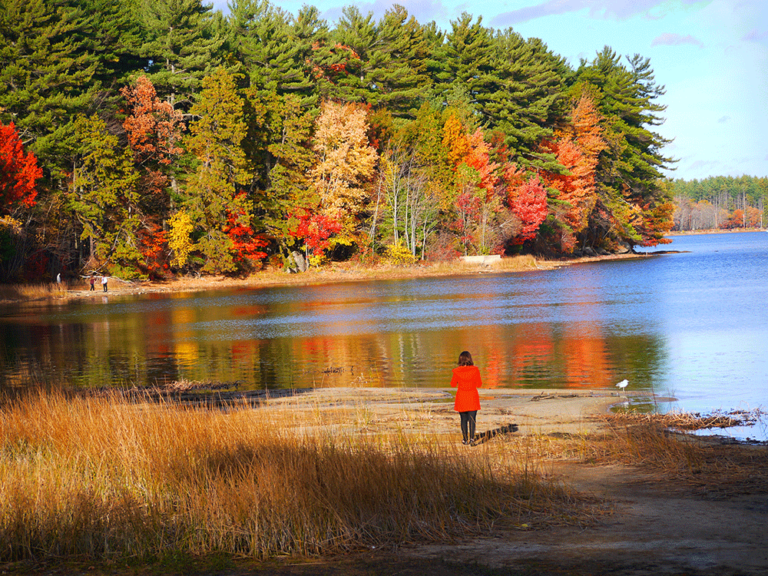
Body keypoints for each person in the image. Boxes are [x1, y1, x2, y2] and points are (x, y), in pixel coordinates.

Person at [450, 350, 482, 445]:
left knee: (463, 419)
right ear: (470, 359)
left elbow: (452, 384)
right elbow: (479, 384)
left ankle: (465, 439)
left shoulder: (457, 371)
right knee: (472, 419)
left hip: (461, 397)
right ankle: (472, 438)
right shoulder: (475, 370)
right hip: (472, 396)